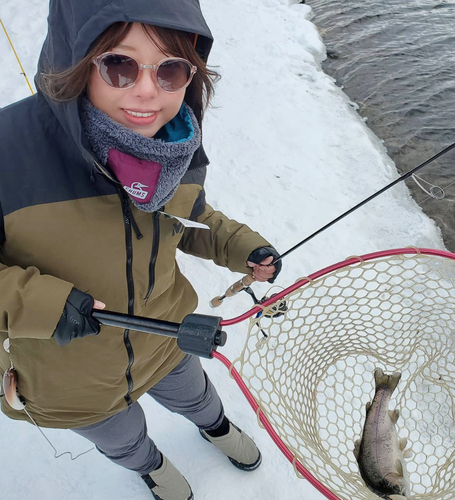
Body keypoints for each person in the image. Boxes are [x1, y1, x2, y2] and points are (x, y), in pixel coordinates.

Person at [0, 1, 282, 499]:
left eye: (171, 69)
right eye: (119, 64)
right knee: (122, 436)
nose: (148, 91)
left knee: (195, 395)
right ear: (77, 59)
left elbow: (190, 219)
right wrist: (41, 303)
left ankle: (215, 427)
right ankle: (148, 466)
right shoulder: (7, 150)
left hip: (166, 339)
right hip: (70, 378)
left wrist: (243, 248)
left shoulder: (172, 143)